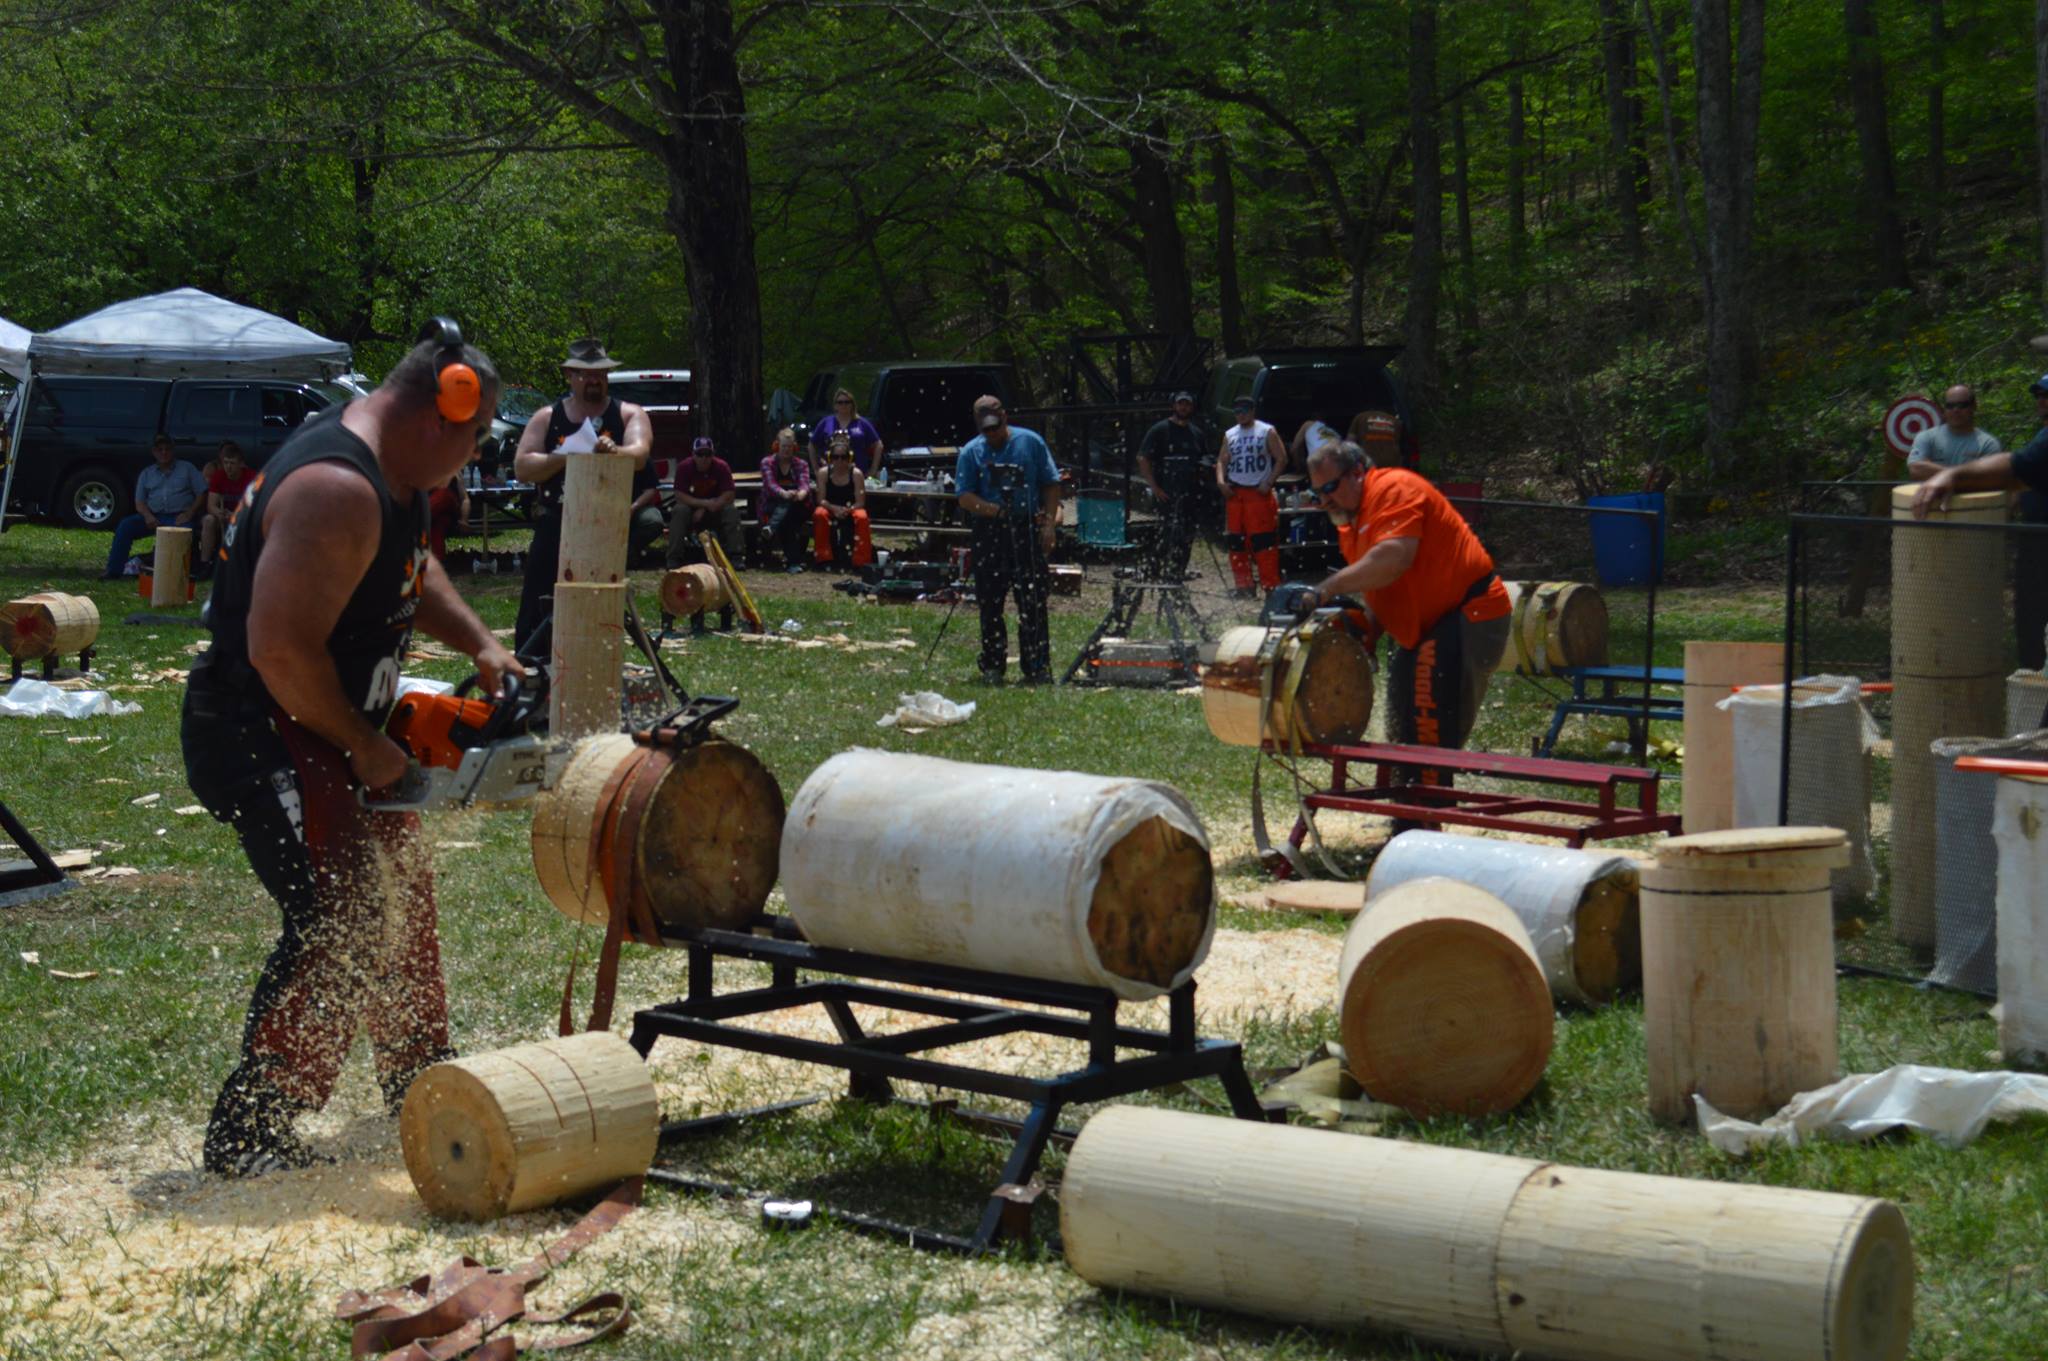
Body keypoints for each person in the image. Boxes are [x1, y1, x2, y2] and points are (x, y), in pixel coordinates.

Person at [180, 322, 520, 1177]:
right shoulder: (337, 486)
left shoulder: (393, 475)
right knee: (348, 914)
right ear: (447, 411)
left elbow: (411, 567)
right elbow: (280, 651)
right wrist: (368, 747)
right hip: (267, 730)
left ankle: (421, 1086)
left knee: (399, 902)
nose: (476, 455)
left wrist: (482, 645)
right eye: (478, 438)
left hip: (329, 729)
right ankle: (253, 1126)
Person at [1299, 439, 1513, 760]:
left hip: (1468, 613)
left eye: (1330, 486)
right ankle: (1406, 806)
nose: (1325, 499)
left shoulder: (1394, 488)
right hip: (1424, 629)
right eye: (1318, 493)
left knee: (1429, 730)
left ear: (1357, 471)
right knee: (1401, 725)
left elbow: (1395, 557)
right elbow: (1381, 584)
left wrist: (1327, 588)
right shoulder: (1350, 524)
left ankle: (1429, 805)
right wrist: (1368, 629)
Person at [509, 338, 653, 651]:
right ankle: (531, 671)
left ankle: (593, 663)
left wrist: (613, 451)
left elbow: (640, 453)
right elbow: (522, 466)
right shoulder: (547, 417)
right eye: (585, 374)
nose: (593, 380)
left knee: (599, 603)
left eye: (599, 374)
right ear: (569, 375)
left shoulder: (629, 414)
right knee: (537, 605)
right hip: (555, 523)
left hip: (606, 526)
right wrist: (564, 456)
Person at [1914, 373, 2048, 672]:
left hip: (2035, 544)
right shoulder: (1929, 436)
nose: (2042, 400)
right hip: (2034, 543)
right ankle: (2036, 688)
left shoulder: (1990, 442)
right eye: (2039, 394)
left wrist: (1953, 476)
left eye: (1962, 404)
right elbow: (1916, 467)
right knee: (2031, 622)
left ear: (1973, 407)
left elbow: (2012, 470)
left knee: (2035, 622)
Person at [956, 394, 1060, 684]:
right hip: (989, 530)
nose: (993, 434)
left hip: (1026, 526)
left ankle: (1037, 666)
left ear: (1005, 417)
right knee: (990, 601)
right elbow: (964, 496)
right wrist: (993, 510)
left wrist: (1049, 525)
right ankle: (992, 664)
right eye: (986, 430)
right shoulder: (971, 452)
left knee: (1033, 600)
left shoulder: (1031, 442)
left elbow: (1051, 484)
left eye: (996, 427)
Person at [105, 433, 207, 579]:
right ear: (154, 452)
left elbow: (202, 493)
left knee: (183, 535)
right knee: (125, 526)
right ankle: (114, 570)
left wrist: (189, 513)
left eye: (167, 449)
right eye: (160, 449)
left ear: (173, 450)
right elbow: (139, 502)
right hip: (154, 516)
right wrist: (147, 516)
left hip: (180, 517)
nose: (164, 452)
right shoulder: (146, 474)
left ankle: (177, 574)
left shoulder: (187, 468)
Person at [668, 435, 742, 634]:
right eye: (699, 454)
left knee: (732, 512)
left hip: (714, 510)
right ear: (693, 455)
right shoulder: (685, 468)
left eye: (707, 454)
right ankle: (674, 559)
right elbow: (679, 495)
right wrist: (702, 505)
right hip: (693, 509)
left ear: (712, 455)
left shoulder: (721, 467)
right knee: (678, 512)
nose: (704, 459)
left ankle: (735, 557)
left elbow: (729, 494)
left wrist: (710, 507)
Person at [1215, 395, 1288, 595]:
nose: (1240, 415)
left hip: (1258, 494)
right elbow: (1221, 461)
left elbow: (1281, 458)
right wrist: (1221, 482)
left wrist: (1269, 481)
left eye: (1244, 410)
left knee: (1264, 543)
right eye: (1237, 411)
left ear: (1253, 411)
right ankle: (1244, 586)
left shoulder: (1266, 431)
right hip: (1235, 494)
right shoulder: (1230, 434)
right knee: (1236, 543)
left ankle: (1271, 586)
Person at [1136, 391, 1211, 577]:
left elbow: (1205, 458)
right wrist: (1155, 487)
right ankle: (1154, 569)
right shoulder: (1160, 429)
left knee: (1186, 535)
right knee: (1165, 532)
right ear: (1174, 406)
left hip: (1190, 494)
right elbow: (1143, 458)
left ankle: (1178, 571)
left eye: (1187, 404)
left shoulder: (1197, 433)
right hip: (1167, 493)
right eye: (1180, 404)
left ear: (1192, 407)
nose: (1183, 407)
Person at [1907, 385, 2000, 480]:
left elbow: (1989, 477)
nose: (1956, 410)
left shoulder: (1988, 444)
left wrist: (1932, 468)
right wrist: (1966, 474)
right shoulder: (1926, 437)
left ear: (1973, 407)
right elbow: (1916, 469)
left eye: (1962, 405)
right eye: (1950, 406)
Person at [812, 434, 873, 570]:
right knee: (819, 514)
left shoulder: (856, 474)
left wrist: (847, 509)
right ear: (830, 458)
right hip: (829, 508)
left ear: (849, 458)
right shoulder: (823, 473)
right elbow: (820, 499)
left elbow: (860, 502)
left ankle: (861, 561)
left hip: (850, 509)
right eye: (835, 457)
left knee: (862, 516)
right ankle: (823, 558)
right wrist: (834, 509)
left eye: (843, 457)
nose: (839, 461)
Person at [759, 427, 813, 572]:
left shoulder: (801, 464)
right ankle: (793, 562)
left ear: (794, 447)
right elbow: (770, 486)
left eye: (789, 447)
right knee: (787, 518)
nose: (786, 450)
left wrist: (799, 494)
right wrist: (784, 494)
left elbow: (804, 485)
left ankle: (771, 527)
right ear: (777, 446)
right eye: (783, 446)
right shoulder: (767, 462)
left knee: (788, 513)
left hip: (797, 506)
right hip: (772, 504)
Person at [199, 439, 256, 576]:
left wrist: (236, 515)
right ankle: (205, 565)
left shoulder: (251, 477)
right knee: (208, 520)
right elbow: (211, 505)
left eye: (232, 463)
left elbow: (255, 507)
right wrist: (220, 513)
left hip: (243, 517)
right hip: (223, 517)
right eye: (225, 463)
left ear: (241, 464)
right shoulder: (219, 476)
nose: (228, 467)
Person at [809, 387, 884, 477]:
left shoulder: (862, 423)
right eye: (840, 402)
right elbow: (812, 445)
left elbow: (878, 445)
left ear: (852, 404)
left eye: (847, 402)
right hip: (830, 474)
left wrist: (873, 469)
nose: (843, 405)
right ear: (835, 405)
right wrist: (816, 468)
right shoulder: (826, 422)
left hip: (858, 473)